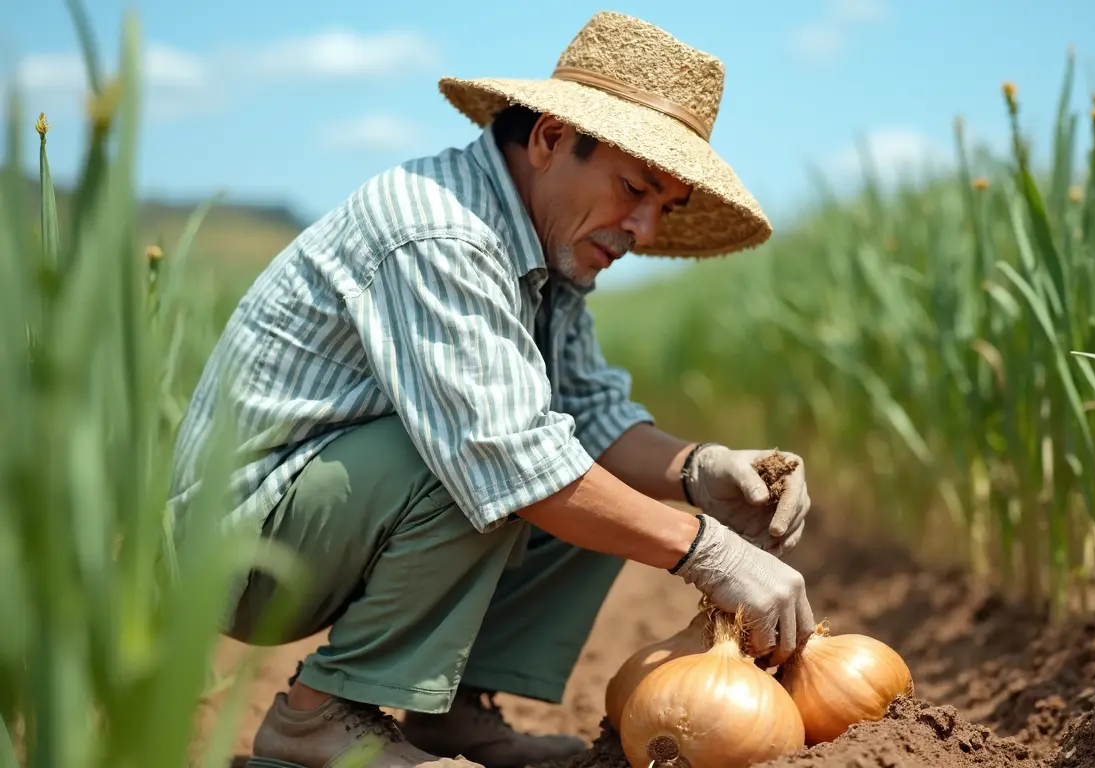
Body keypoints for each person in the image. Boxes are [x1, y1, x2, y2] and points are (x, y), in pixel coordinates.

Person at [168, 10, 816, 768]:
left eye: (663, 208)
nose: (642, 229)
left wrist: (699, 469)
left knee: (578, 462)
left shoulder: (550, 248)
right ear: (547, 139)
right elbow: (505, 455)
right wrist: (710, 553)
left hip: (328, 523)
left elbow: (592, 415)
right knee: (498, 458)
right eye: (634, 188)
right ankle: (317, 721)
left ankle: (448, 708)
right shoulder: (441, 231)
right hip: (245, 547)